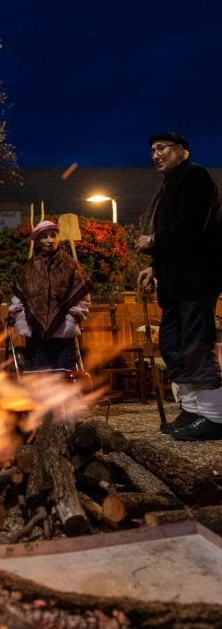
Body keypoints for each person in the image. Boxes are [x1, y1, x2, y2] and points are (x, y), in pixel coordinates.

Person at [136, 132, 222, 440]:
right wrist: (153, 266)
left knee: (196, 345)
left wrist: (154, 240)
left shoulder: (195, 177)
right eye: (152, 151)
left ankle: (214, 416)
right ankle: (192, 410)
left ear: (181, 151)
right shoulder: (169, 185)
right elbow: (174, 243)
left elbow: (191, 228)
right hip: (174, 283)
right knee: (171, 345)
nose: (156, 155)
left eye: (161, 149)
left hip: (197, 278)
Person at [8, 220, 93, 372]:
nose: (50, 240)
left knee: (63, 378)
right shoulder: (29, 268)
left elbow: (83, 296)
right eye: (44, 236)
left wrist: (73, 317)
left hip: (62, 332)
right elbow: (19, 298)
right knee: (38, 378)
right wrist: (19, 315)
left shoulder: (70, 266)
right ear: (38, 241)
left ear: (58, 238)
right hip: (35, 331)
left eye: (53, 235)